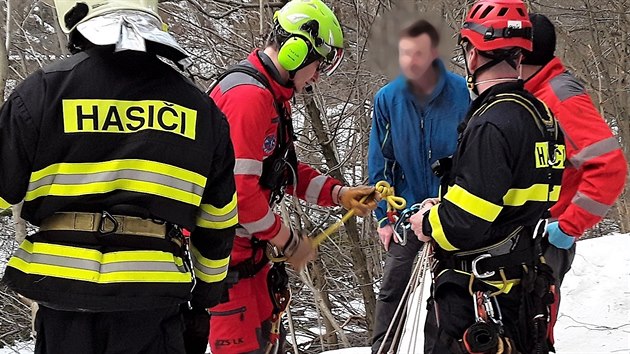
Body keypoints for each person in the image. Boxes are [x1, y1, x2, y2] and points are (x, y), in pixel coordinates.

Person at [0, 1, 238, 353]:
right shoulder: (199, 110)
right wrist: (204, 298)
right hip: (152, 300)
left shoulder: (42, 91)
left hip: (63, 298)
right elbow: (217, 222)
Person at [204, 1, 378, 353]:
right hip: (225, 262)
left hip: (248, 258)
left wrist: (339, 194)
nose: (316, 77)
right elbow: (241, 195)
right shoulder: (248, 98)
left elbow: (281, 170)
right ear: (296, 51)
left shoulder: (271, 94)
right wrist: (289, 240)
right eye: (318, 65)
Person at [409, 0, 566, 353]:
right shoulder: (541, 117)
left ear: (474, 54)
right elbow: (506, 196)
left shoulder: (492, 124)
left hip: (481, 295)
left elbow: (465, 223)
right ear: (519, 55)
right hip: (523, 290)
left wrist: (428, 221)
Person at [521, 13, 627, 344]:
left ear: (520, 54)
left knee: (534, 334)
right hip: (529, 235)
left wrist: (569, 225)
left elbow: (609, 165)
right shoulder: (533, 93)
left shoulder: (559, 96)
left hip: (548, 238)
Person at [367, 19, 469, 353]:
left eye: (419, 53)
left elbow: (473, 158)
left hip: (451, 210)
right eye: (405, 54)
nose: (412, 61)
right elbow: (380, 163)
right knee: (392, 287)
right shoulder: (387, 99)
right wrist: (383, 217)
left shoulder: (463, 94)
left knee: (449, 291)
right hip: (405, 211)